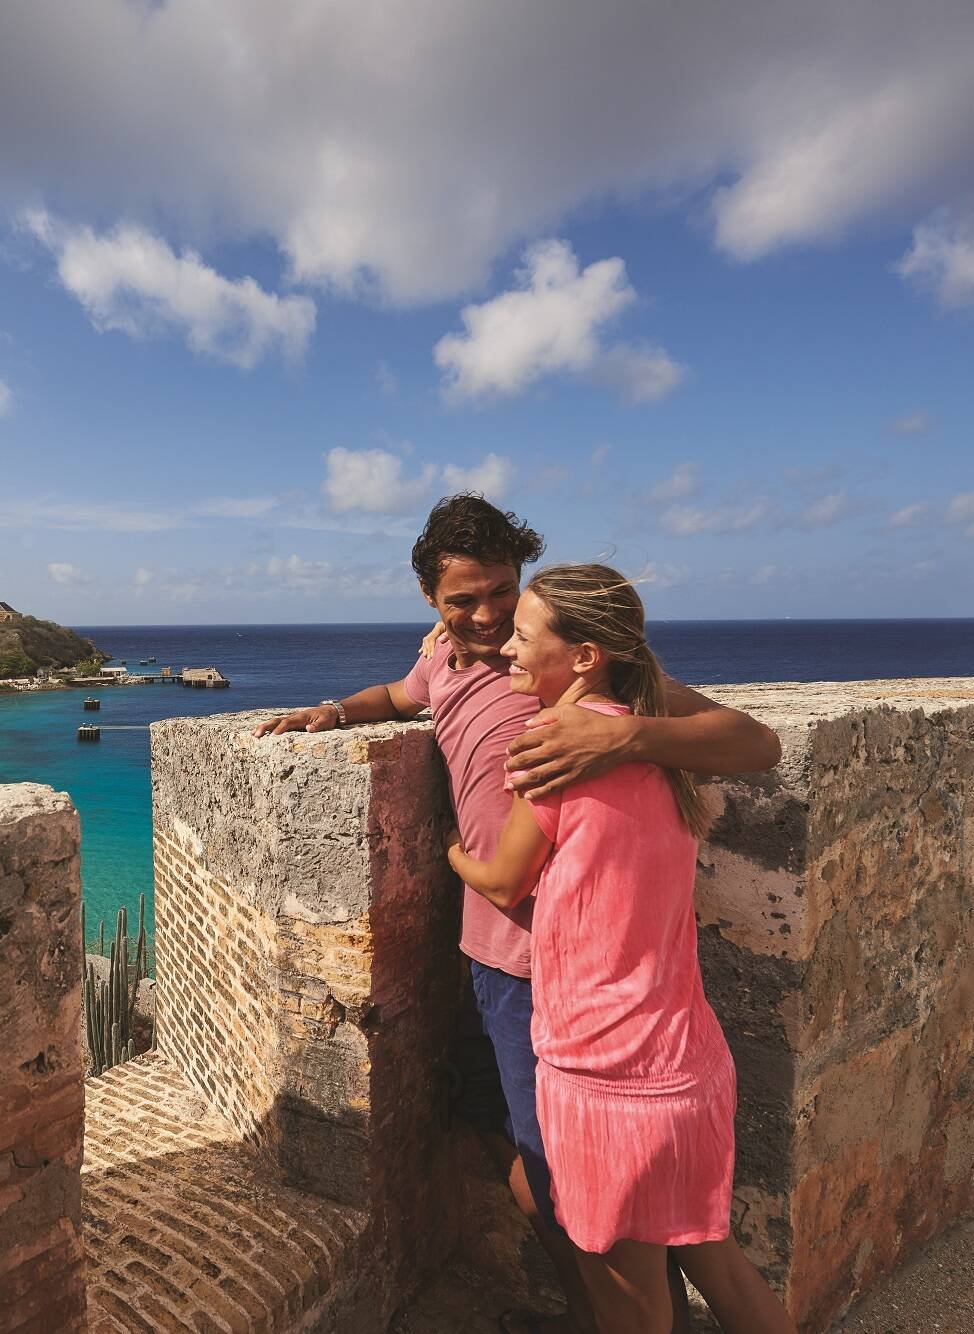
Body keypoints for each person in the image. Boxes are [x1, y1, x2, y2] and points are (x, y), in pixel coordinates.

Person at [252, 495, 781, 1334]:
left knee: (579, 1190)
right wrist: (337, 711)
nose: (491, 616)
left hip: (564, 984)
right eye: (465, 599)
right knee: (552, 1169)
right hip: (500, 969)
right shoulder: (446, 662)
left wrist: (624, 739)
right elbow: (399, 694)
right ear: (431, 599)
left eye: (503, 592)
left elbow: (754, 744)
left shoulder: (562, 670)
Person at [446, 563, 792, 1334]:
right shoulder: (656, 742)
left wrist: (450, 853)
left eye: (524, 636)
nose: (505, 646)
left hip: (605, 1074)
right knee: (722, 1267)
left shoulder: (554, 742)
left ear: (584, 656)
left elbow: (504, 882)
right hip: (687, 1060)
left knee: (629, 1313)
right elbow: (741, 739)